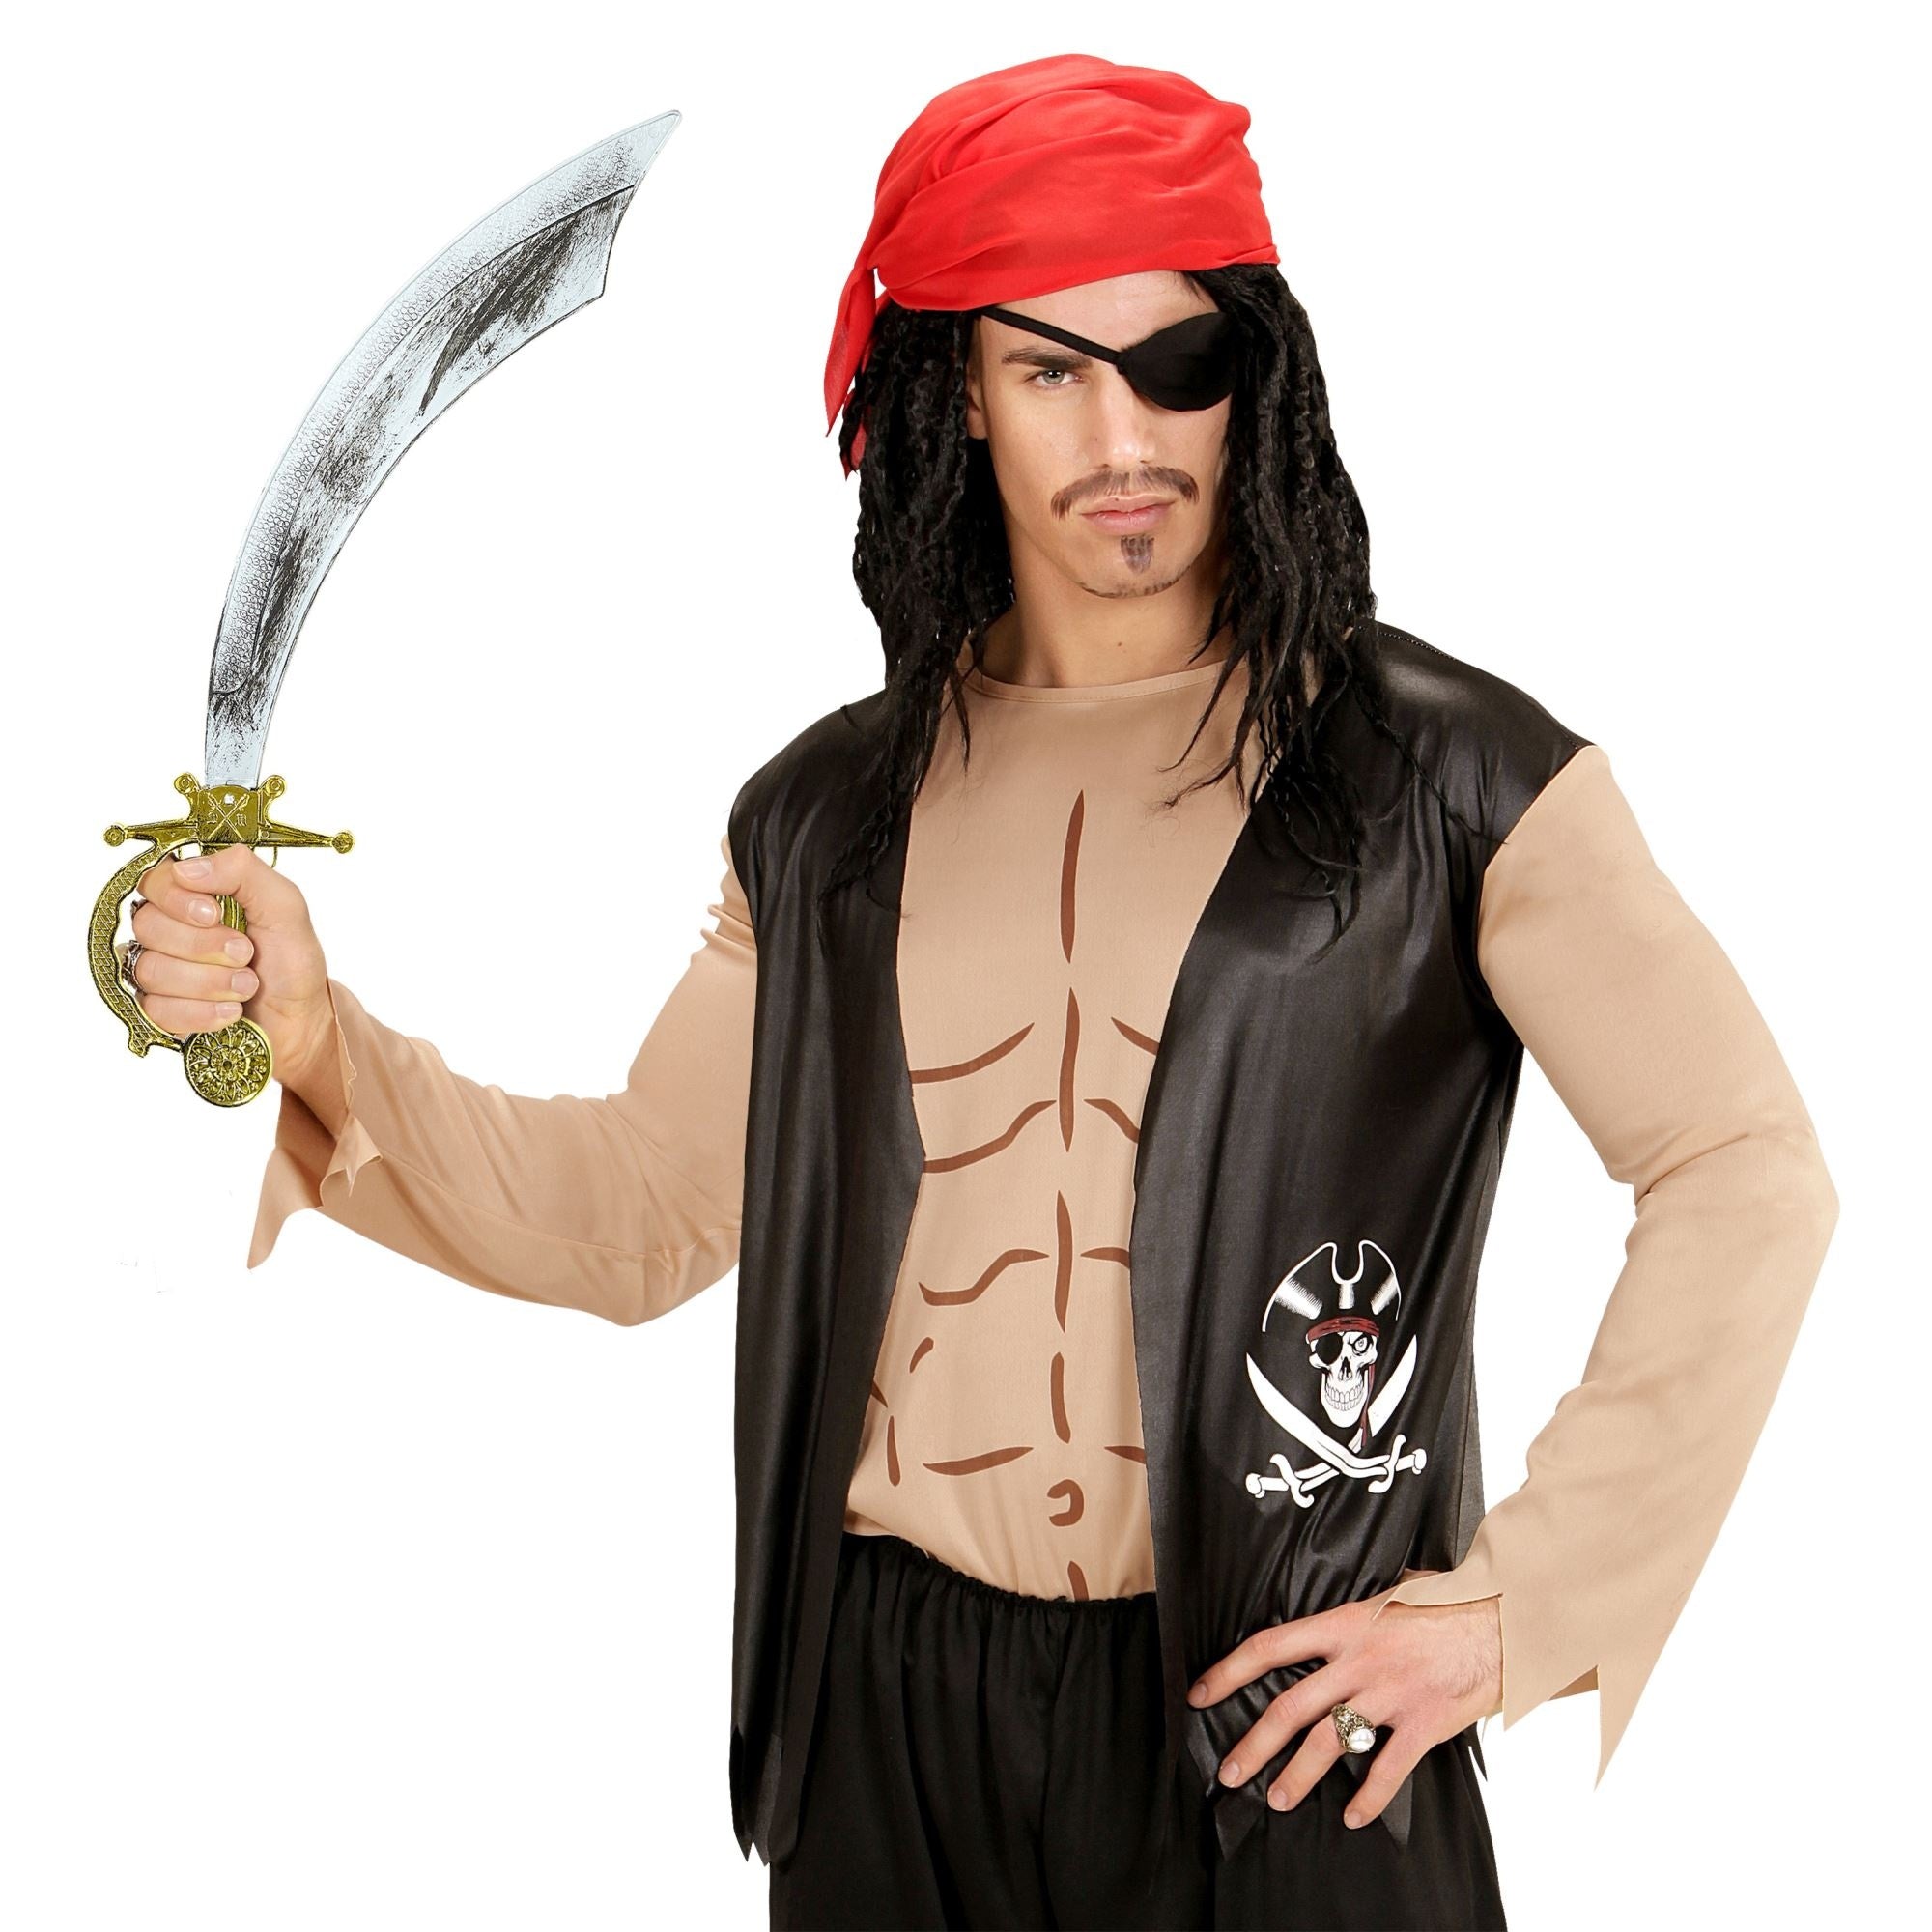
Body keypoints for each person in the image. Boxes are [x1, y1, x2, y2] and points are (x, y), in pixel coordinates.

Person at [126, 55, 1838, 1932]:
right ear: (953, 393)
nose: (1125, 436)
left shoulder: (1454, 777)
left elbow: (1741, 1163)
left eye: (1176, 363)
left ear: (1254, 376)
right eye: (1049, 371)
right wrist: (315, 1035)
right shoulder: (827, 822)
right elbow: (642, 1206)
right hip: (887, 1721)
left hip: (1292, 1704)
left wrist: (1518, 1607)